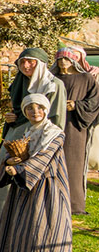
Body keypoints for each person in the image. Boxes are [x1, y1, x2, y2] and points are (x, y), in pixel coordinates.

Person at [0, 47, 67, 248]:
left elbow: (56, 120)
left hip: (38, 142)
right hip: (14, 139)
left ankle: (17, 244)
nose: (25, 66)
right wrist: (11, 118)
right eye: (22, 62)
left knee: (25, 193)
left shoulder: (54, 85)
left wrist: (41, 149)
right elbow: (18, 110)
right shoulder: (20, 82)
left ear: (41, 63)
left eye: (31, 62)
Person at [0, 93, 73, 252]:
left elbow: (44, 157)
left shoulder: (55, 134)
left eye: (39, 108)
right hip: (24, 189)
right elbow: (12, 154)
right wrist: (8, 162)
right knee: (20, 229)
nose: (35, 112)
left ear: (46, 110)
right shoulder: (27, 132)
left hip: (48, 189)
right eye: (30, 109)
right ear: (25, 112)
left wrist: (19, 169)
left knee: (44, 229)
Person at [51, 47, 98, 215]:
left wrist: (76, 106)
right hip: (53, 126)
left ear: (73, 61)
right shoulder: (52, 78)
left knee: (74, 164)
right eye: (60, 59)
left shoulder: (86, 79)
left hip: (75, 127)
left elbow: (94, 103)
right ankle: (52, 201)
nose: (63, 63)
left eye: (66, 59)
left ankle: (74, 204)